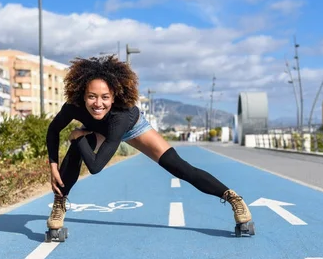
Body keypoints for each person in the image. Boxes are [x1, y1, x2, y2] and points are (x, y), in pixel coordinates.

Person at [45, 55, 253, 233]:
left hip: (133, 127)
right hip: (100, 130)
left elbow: (96, 166)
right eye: (92, 97)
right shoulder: (73, 106)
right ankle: (60, 202)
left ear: (114, 96)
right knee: (76, 150)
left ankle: (233, 198)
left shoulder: (120, 116)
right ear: (83, 95)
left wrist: (78, 136)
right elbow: (53, 130)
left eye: (105, 97)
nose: (98, 104)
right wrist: (53, 165)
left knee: (178, 166)